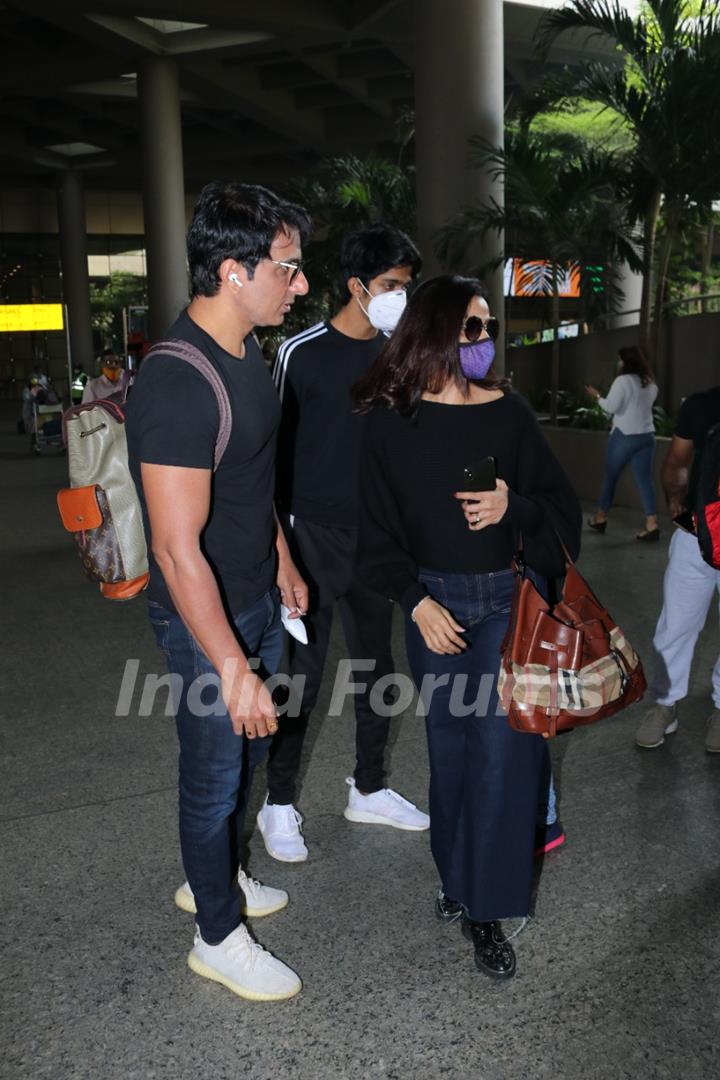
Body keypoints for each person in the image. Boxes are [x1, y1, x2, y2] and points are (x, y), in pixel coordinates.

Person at [353, 274, 581, 980]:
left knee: (503, 755)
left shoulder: (508, 415)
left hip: (506, 607)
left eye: (488, 329)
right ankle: (455, 879)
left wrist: (513, 504)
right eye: (474, 328)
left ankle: (488, 908)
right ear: (438, 332)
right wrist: (416, 602)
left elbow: (560, 511)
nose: (485, 341)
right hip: (437, 611)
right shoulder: (390, 423)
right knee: (450, 751)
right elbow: (372, 532)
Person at [126, 181, 311, 1002]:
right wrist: (229, 663)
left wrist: (282, 559)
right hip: (207, 619)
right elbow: (174, 548)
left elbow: (249, 483)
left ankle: (222, 873)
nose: (299, 284)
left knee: (248, 752)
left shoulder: (249, 355)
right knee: (212, 776)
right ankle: (214, 932)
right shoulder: (176, 382)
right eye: (288, 268)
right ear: (234, 271)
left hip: (255, 597)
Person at [259, 224, 428, 863]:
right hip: (310, 534)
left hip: (377, 536)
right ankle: (279, 803)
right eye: (390, 287)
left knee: (376, 669)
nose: (399, 300)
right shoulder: (299, 352)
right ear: (357, 285)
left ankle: (371, 787)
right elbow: (267, 461)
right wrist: (278, 555)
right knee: (300, 676)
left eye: (405, 289)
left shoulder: (398, 352)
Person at [635, 383, 720, 751]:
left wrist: (676, 503)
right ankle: (670, 705)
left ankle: (665, 706)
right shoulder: (702, 404)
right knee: (677, 623)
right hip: (697, 534)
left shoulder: (702, 403)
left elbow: (676, 464)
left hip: (695, 530)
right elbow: (676, 465)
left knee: (676, 625)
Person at [586, 345, 659, 541]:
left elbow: (611, 408)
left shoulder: (622, 381)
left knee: (611, 477)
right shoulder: (649, 382)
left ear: (624, 362)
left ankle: (601, 517)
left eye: (619, 359)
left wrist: (597, 397)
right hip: (647, 436)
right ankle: (652, 523)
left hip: (625, 436)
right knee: (645, 481)